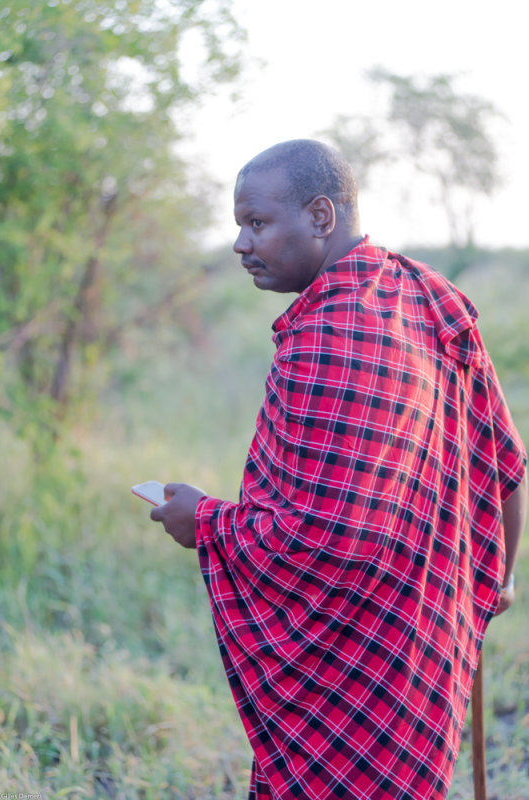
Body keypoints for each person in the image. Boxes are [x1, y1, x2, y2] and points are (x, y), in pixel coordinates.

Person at [150, 139, 527, 800]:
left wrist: (201, 520)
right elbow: (505, 468)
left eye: (257, 223)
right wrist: (492, 582)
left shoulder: (326, 336)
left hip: (349, 671)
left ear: (321, 216)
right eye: (240, 225)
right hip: (424, 638)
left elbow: (318, 539)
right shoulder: (431, 295)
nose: (240, 243)